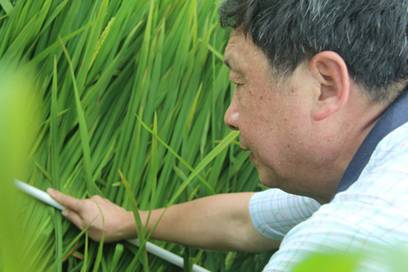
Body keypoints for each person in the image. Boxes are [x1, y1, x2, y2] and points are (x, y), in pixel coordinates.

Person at [47, 0, 408, 270]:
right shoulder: (383, 162)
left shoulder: (350, 239)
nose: (230, 116)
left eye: (240, 81)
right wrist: (126, 222)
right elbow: (245, 221)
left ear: (326, 85)